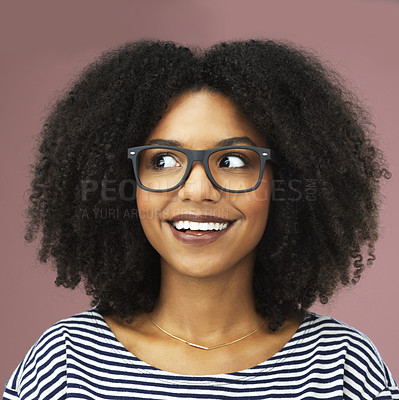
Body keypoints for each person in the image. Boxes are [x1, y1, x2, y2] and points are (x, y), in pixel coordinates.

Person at [3, 39, 398, 399]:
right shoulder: (65, 365)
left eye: (232, 161)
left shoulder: (343, 368)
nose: (197, 190)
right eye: (163, 160)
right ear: (125, 183)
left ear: (287, 181)